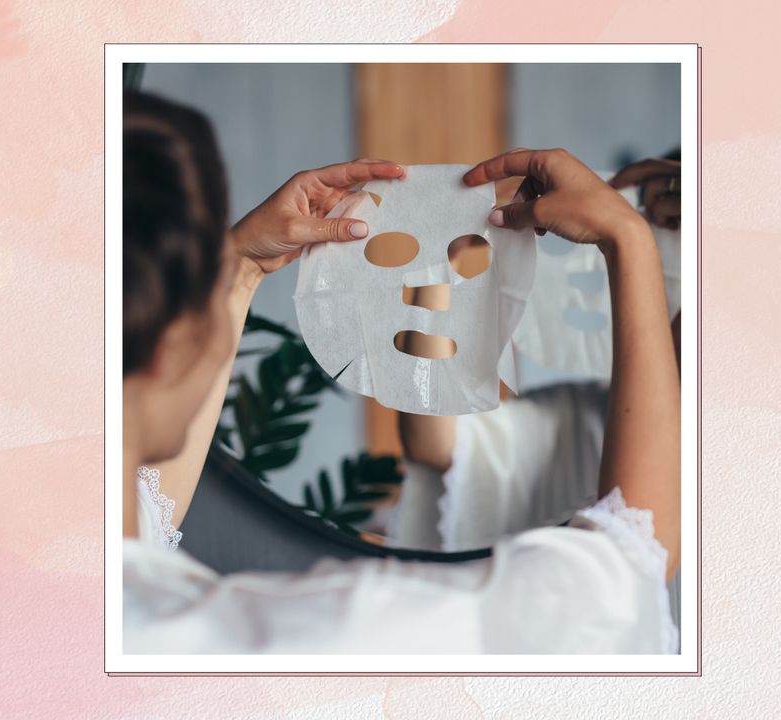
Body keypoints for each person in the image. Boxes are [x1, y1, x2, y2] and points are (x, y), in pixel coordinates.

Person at [122, 92, 681, 654]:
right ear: (171, 350)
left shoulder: (109, 593)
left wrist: (241, 267)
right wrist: (625, 240)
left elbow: (147, 511)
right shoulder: (340, 627)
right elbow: (626, 563)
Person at [394, 152, 683, 552]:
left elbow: (637, 554)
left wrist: (627, 236)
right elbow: (439, 444)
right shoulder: (585, 417)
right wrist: (441, 266)